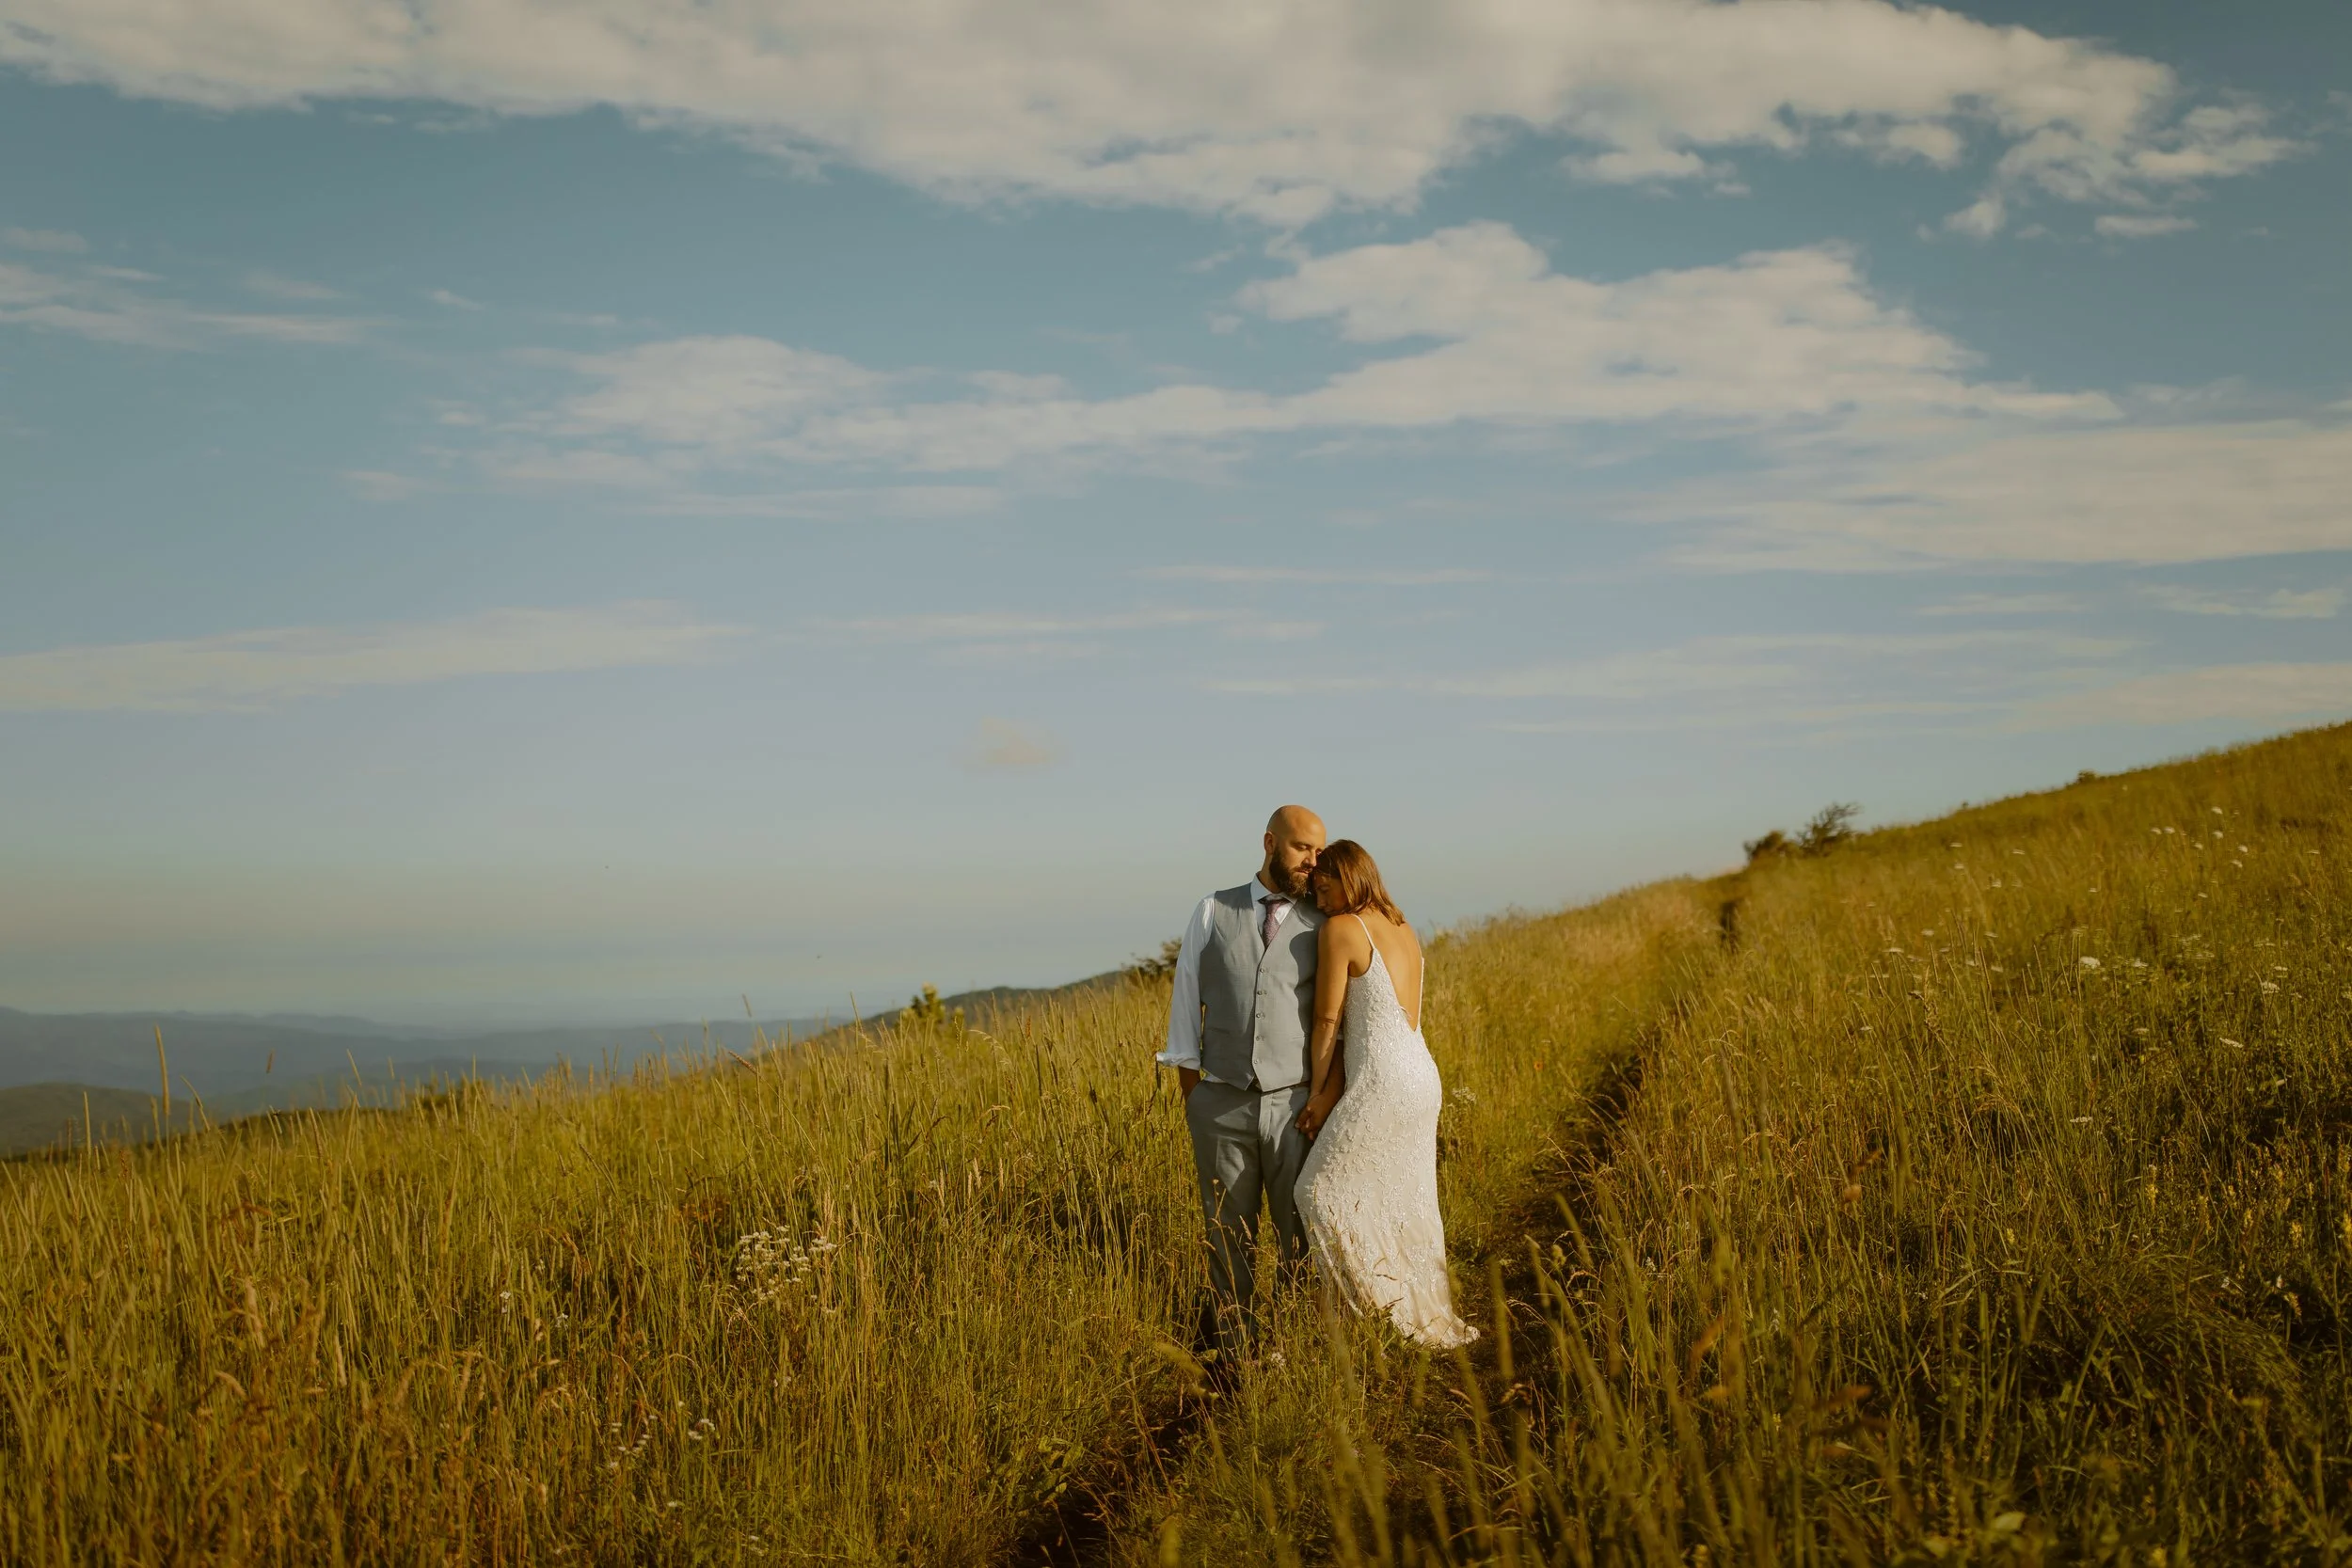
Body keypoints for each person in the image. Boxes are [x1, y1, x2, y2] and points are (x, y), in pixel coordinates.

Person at [1292, 839, 1477, 1348]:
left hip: (1384, 1081)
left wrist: (1317, 1091)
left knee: (1318, 1193)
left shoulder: (1342, 929)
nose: (1318, 898)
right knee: (1402, 1198)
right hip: (1422, 1076)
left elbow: (1328, 1020)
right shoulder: (1403, 927)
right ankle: (1411, 1309)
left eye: (1323, 886)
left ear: (1346, 877)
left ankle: (1379, 1316)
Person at [1159, 804, 1327, 1354]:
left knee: (1297, 1234)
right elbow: (1186, 1001)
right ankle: (1236, 1350)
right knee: (1227, 1235)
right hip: (1220, 1103)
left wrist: (1321, 1098)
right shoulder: (1212, 910)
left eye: (1319, 852)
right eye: (1303, 847)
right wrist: (1196, 1099)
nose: (1312, 861)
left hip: (1295, 1106)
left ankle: (1295, 1348)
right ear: (1269, 842)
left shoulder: (1324, 922)